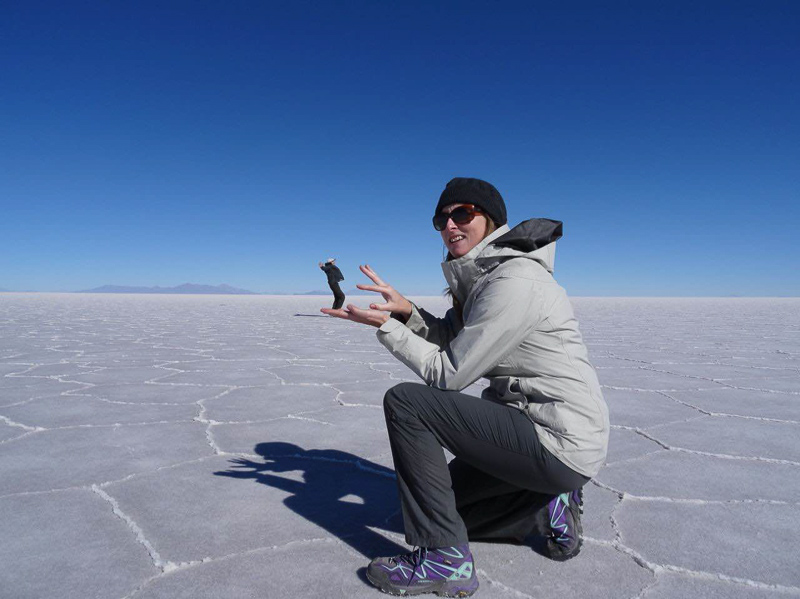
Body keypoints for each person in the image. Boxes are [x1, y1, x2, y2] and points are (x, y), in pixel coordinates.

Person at [322, 177, 609, 597]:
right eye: (442, 218)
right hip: (533, 430)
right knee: (436, 512)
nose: (450, 226)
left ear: (491, 220)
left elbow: (450, 374)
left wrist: (387, 329)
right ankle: (547, 504)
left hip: (558, 437)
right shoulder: (484, 280)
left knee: (408, 403)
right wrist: (405, 313)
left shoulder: (515, 282)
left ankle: (444, 560)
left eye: (463, 214)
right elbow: (452, 337)